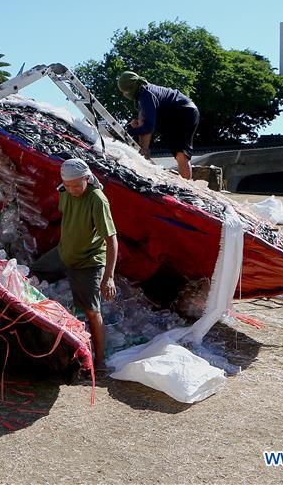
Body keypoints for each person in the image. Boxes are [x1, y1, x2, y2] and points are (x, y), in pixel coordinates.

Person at [30, 158, 117, 374]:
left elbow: (111, 240)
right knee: (33, 274)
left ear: (87, 178)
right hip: (64, 253)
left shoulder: (97, 200)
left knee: (92, 311)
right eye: (68, 186)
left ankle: (100, 362)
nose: (72, 190)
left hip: (88, 261)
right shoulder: (64, 191)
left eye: (77, 185)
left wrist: (109, 277)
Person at [117, 71, 200, 180]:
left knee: (181, 154)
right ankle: (145, 150)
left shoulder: (146, 94)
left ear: (131, 87)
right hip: (172, 116)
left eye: (125, 91)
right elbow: (145, 121)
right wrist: (136, 128)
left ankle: (187, 188)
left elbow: (148, 127)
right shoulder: (140, 96)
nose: (124, 94)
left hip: (184, 112)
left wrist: (130, 131)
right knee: (141, 120)